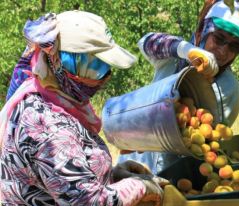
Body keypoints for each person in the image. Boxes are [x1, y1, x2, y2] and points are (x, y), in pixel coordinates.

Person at [0, 11, 166, 206]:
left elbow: (63, 179)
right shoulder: (46, 126)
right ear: (63, 63)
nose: (106, 78)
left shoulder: (56, 100)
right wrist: (138, 187)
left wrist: (111, 175)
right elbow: (87, 202)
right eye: (98, 67)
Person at [118, 0, 239, 174]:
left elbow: (210, 138)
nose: (223, 50)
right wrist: (186, 50)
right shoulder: (174, 56)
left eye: (234, 46)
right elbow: (146, 41)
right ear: (203, 31)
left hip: (174, 174)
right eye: (219, 38)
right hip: (135, 164)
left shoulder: (229, 88)